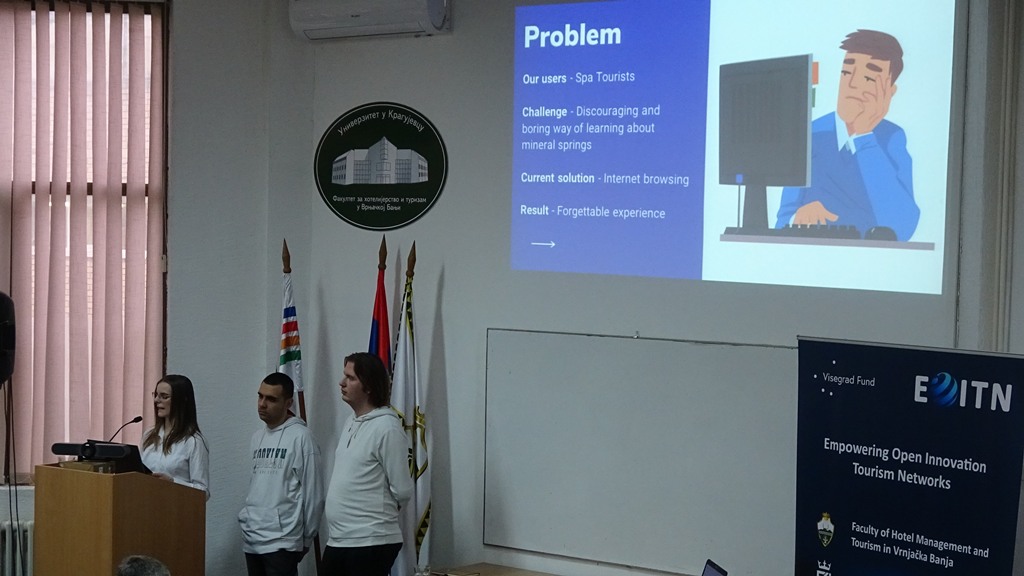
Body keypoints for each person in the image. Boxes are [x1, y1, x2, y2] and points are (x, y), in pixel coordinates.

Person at [775, 29, 920, 241]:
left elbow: (902, 228)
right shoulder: (811, 133)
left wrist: (864, 136)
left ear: (889, 92)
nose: (852, 85)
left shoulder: (891, 138)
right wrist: (798, 217)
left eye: (869, 77)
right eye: (846, 72)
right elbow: (781, 222)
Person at [322, 352, 414, 576]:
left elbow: (402, 490)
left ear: (369, 386)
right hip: (340, 539)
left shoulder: (387, 428)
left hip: (370, 540)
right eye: (344, 376)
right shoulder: (350, 422)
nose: (342, 383)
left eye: (351, 378)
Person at [239, 372, 324, 576]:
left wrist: (306, 539)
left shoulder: (302, 437)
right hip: (252, 538)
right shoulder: (257, 437)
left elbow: (314, 494)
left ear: (288, 403)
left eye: (271, 399)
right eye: (260, 396)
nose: (262, 404)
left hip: (282, 541)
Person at [140, 374, 210, 498]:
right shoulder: (149, 435)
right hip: (146, 503)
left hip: (175, 506)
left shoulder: (193, 441)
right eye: (156, 395)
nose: (156, 400)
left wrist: (172, 482)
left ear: (181, 401)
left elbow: (203, 493)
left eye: (164, 396)